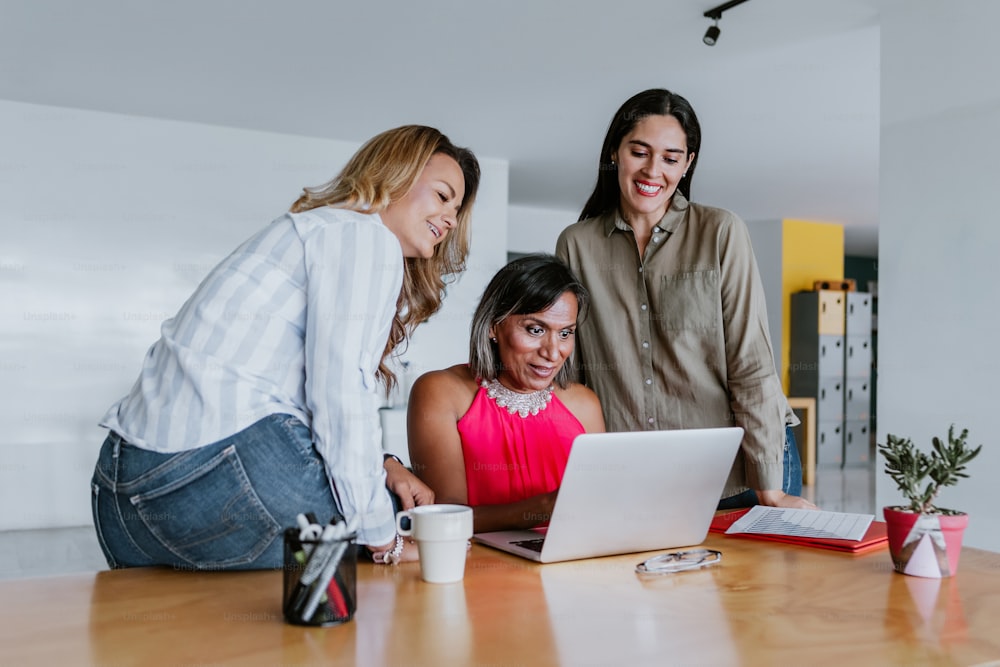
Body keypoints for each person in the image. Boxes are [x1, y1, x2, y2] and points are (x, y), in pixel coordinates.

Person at [91, 125, 481, 569]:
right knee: (406, 521)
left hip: (120, 497)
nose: (450, 219)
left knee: (371, 501)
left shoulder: (314, 231)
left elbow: (301, 396)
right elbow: (339, 392)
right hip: (211, 471)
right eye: (443, 196)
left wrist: (382, 462)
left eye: (457, 209)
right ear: (395, 174)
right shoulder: (365, 235)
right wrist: (383, 539)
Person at [555, 89, 816, 510]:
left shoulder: (720, 232)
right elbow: (572, 371)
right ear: (615, 153)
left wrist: (771, 489)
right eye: (639, 152)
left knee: (751, 580)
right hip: (637, 476)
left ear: (687, 163)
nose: (652, 170)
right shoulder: (576, 245)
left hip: (739, 472)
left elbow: (751, 361)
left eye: (670, 158)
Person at [406, 254, 605, 533]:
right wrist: (544, 508)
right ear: (493, 326)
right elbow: (445, 519)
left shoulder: (584, 404)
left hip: (571, 565)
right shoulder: (442, 392)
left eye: (565, 333)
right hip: (476, 568)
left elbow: (600, 510)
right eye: (536, 329)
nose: (552, 352)